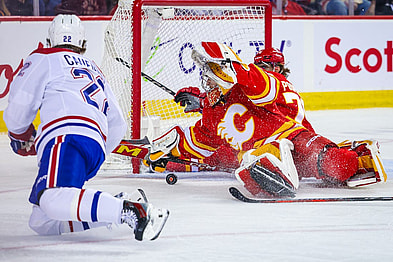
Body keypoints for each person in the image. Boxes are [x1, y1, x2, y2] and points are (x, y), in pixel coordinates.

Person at [145, 41, 386, 198]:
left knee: (338, 165)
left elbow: (260, 86)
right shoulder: (212, 109)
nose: (207, 83)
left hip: (293, 136)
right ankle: (276, 169)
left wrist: (233, 70)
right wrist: (168, 152)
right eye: (206, 79)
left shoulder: (254, 83)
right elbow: (198, 142)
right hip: (261, 148)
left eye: (212, 77)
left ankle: (359, 154)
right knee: (241, 161)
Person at [3, 14, 169, 240]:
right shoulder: (94, 68)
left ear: (50, 41)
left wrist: (21, 134)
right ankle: (112, 206)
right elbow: (117, 123)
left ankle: (130, 211)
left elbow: (20, 104)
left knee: (53, 198)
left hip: (66, 137)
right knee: (42, 221)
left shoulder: (44, 57)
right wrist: (96, 149)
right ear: (82, 44)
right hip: (95, 145)